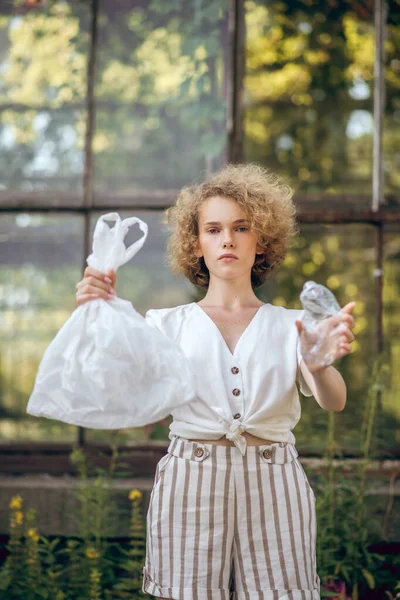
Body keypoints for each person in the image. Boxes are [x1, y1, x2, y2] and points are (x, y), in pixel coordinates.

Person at [75, 163, 355, 600]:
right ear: (196, 242)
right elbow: (115, 385)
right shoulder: (165, 324)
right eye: (214, 229)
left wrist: (319, 366)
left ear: (261, 240)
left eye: (242, 228)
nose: (228, 239)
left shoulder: (294, 324)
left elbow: (335, 402)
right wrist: (99, 315)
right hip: (192, 477)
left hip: (274, 479)